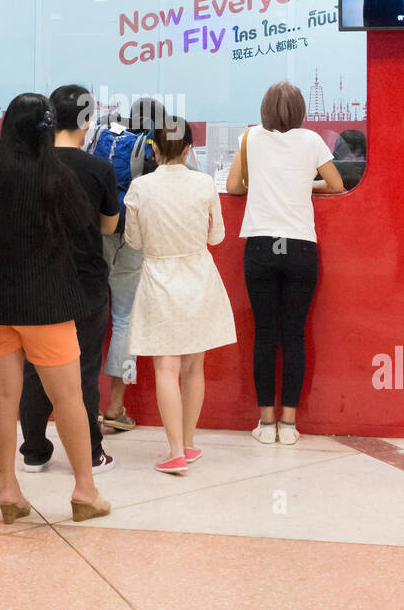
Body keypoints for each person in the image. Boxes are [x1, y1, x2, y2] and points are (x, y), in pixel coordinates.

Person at [0, 93, 110, 523]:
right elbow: (83, 225)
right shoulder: (57, 175)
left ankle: (8, 490)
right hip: (48, 302)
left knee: (2, 396)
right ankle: (85, 491)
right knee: (68, 396)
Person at [226, 82, 344, 444]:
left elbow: (233, 187)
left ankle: (264, 424)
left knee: (264, 334)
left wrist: (260, 184)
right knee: (293, 335)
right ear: (300, 111)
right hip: (299, 246)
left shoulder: (250, 138)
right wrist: (305, 185)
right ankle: (290, 425)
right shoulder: (311, 141)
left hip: (261, 244)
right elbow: (337, 184)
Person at [124, 117, 236, 474]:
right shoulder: (204, 184)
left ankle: (173, 450)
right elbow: (216, 237)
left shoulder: (140, 188)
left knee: (165, 368)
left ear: (153, 147)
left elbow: (133, 242)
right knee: (194, 367)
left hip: (159, 280)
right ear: (189, 149)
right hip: (199, 278)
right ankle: (188, 444)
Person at [19, 84, 119, 474]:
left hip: (38, 280)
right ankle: (91, 453)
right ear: (86, 122)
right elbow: (109, 226)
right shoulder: (98, 169)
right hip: (87, 282)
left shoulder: (29, 166)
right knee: (84, 367)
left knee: (35, 365)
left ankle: (33, 450)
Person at [94, 97, 164, 433]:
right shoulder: (153, 145)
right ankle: (115, 407)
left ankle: (82, 403)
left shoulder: (108, 135)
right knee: (124, 319)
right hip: (132, 237)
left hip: (99, 231)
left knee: (89, 317)